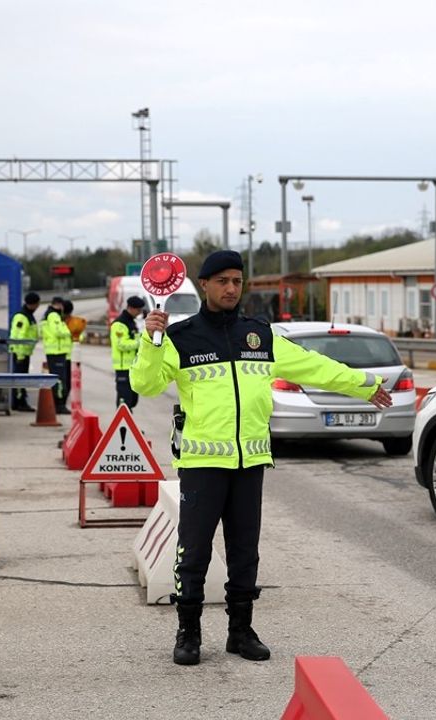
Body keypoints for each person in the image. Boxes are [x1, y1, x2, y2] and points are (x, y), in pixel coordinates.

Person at [132, 250, 392, 666]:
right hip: (202, 465)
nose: (231, 288)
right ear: (204, 285)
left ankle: (241, 631)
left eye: (237, 281)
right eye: (222, 281)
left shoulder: (260, 335)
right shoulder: (180, 338)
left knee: (245, 552)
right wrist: (150, 339)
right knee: (194, 552)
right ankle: (189, 633)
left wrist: (364, 384)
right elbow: (145, 383)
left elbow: (315, 366)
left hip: (250, 464)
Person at [110, 295, 146, 410]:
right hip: (123, 368)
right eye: (138, 310)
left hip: (132, 367)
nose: (139, 313)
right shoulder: (119, 324)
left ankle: (128, 425)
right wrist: (140, 342)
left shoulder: (131, 322)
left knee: (132, 400)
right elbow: (121, 344)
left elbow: (135, 339)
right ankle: (123, 426)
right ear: (131, 308)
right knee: (124, 402)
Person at [8, 292, 41, 411]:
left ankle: (20, 401)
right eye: (37, 304)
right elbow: (19, 337)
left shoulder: (28, 315)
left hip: (24, 353)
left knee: (22, 378)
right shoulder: (22, 316)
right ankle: (19, 402)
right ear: (33, 304)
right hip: (19, 353)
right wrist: (20, 355)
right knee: (19, 379)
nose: (38, 306)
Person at [40, 296, 72, 415]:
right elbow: (58, 331)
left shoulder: (50, 315)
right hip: (56, 352)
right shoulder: (53, 315)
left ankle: (59, 403)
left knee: (60, 379)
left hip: (56, 352)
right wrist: (70, 332)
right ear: (59, 305)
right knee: (60, 380)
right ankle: (59, 404)